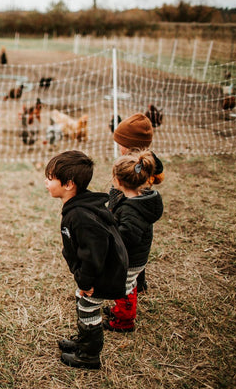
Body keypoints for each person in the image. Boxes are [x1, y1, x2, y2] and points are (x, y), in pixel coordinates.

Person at [45, 150, 128, 369]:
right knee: (82, 302)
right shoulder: (77, 207)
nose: (46, 182)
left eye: (51, 178)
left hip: (103, 274)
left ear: (69, 184)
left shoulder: (81, 216)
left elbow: (93, 254)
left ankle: (89, 355)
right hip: (94, 272)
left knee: (88, 307)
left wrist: (86, 281)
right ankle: (83, 341)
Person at [103, 151, 164, 332]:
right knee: (129, 284)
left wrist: (109, 240)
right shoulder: (140, 199)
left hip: (130, 258)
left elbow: (127, 237)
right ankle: (121, 309)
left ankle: (124, 320)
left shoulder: (132, 210)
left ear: (118, 181)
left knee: (125, 287)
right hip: (135, 257)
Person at [111, 112, 164, 293]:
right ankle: (139, 281)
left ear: (128, 145)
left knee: (132, 246)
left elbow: (159, 175)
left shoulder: (137, 165)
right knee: (141, 243)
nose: (118, 147)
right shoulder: (144, 161)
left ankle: (133, 283)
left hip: (130, 208)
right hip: (137, 210)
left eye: (120, 144)